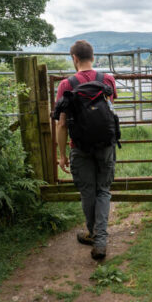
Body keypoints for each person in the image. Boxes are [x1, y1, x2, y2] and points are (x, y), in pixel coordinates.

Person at [52, 40, 118, 261]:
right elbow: (109, 108)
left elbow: (61, 124)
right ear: (92, 56)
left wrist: (61, 155)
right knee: (103, 191)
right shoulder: (107, 79)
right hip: (106, 145)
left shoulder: (66, 84)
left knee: (87, 191)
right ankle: (100, 240)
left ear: (74, 58)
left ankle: (93, 234)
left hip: (79, 147)